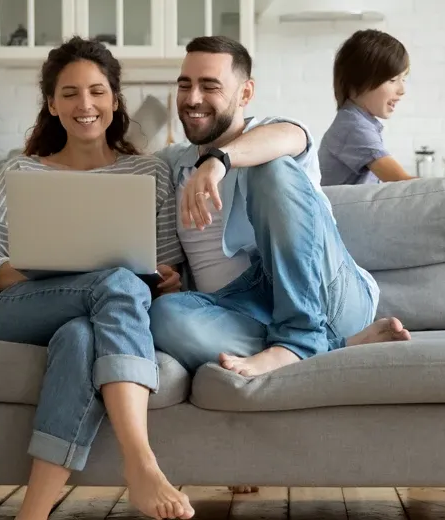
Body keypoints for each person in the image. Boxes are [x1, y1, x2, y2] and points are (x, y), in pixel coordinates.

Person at [0, 37, 196, 520]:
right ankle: (141, 464)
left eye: (96, 92)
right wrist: (42, 259)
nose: (84, 105)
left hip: (101, 315)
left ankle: (33, 513)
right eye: (69, 93)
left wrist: (168, 279)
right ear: (52, 104)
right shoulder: (20, 171)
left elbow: (168, 266)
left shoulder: (149, 172)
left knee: (80, 336)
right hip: (24, 307)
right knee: (118, 283)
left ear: (114, 99)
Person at [147, 35, 412, 381]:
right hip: (242, 308)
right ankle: (333, 345)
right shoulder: (172, 164)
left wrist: (219, 160)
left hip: (327, 292)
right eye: (185, 85)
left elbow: (288, 138)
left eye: (209, 86)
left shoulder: (274, 133)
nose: (193, 98)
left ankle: (298, 337)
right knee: (162, 316)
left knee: (271, 166)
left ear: (245, 93)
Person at [318, 29, 415, 186]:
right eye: (392, 79)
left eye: (403, 79)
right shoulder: (353, 127)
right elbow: (403, 184)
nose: (402, 90)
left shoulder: (357, 122)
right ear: (358, 82)